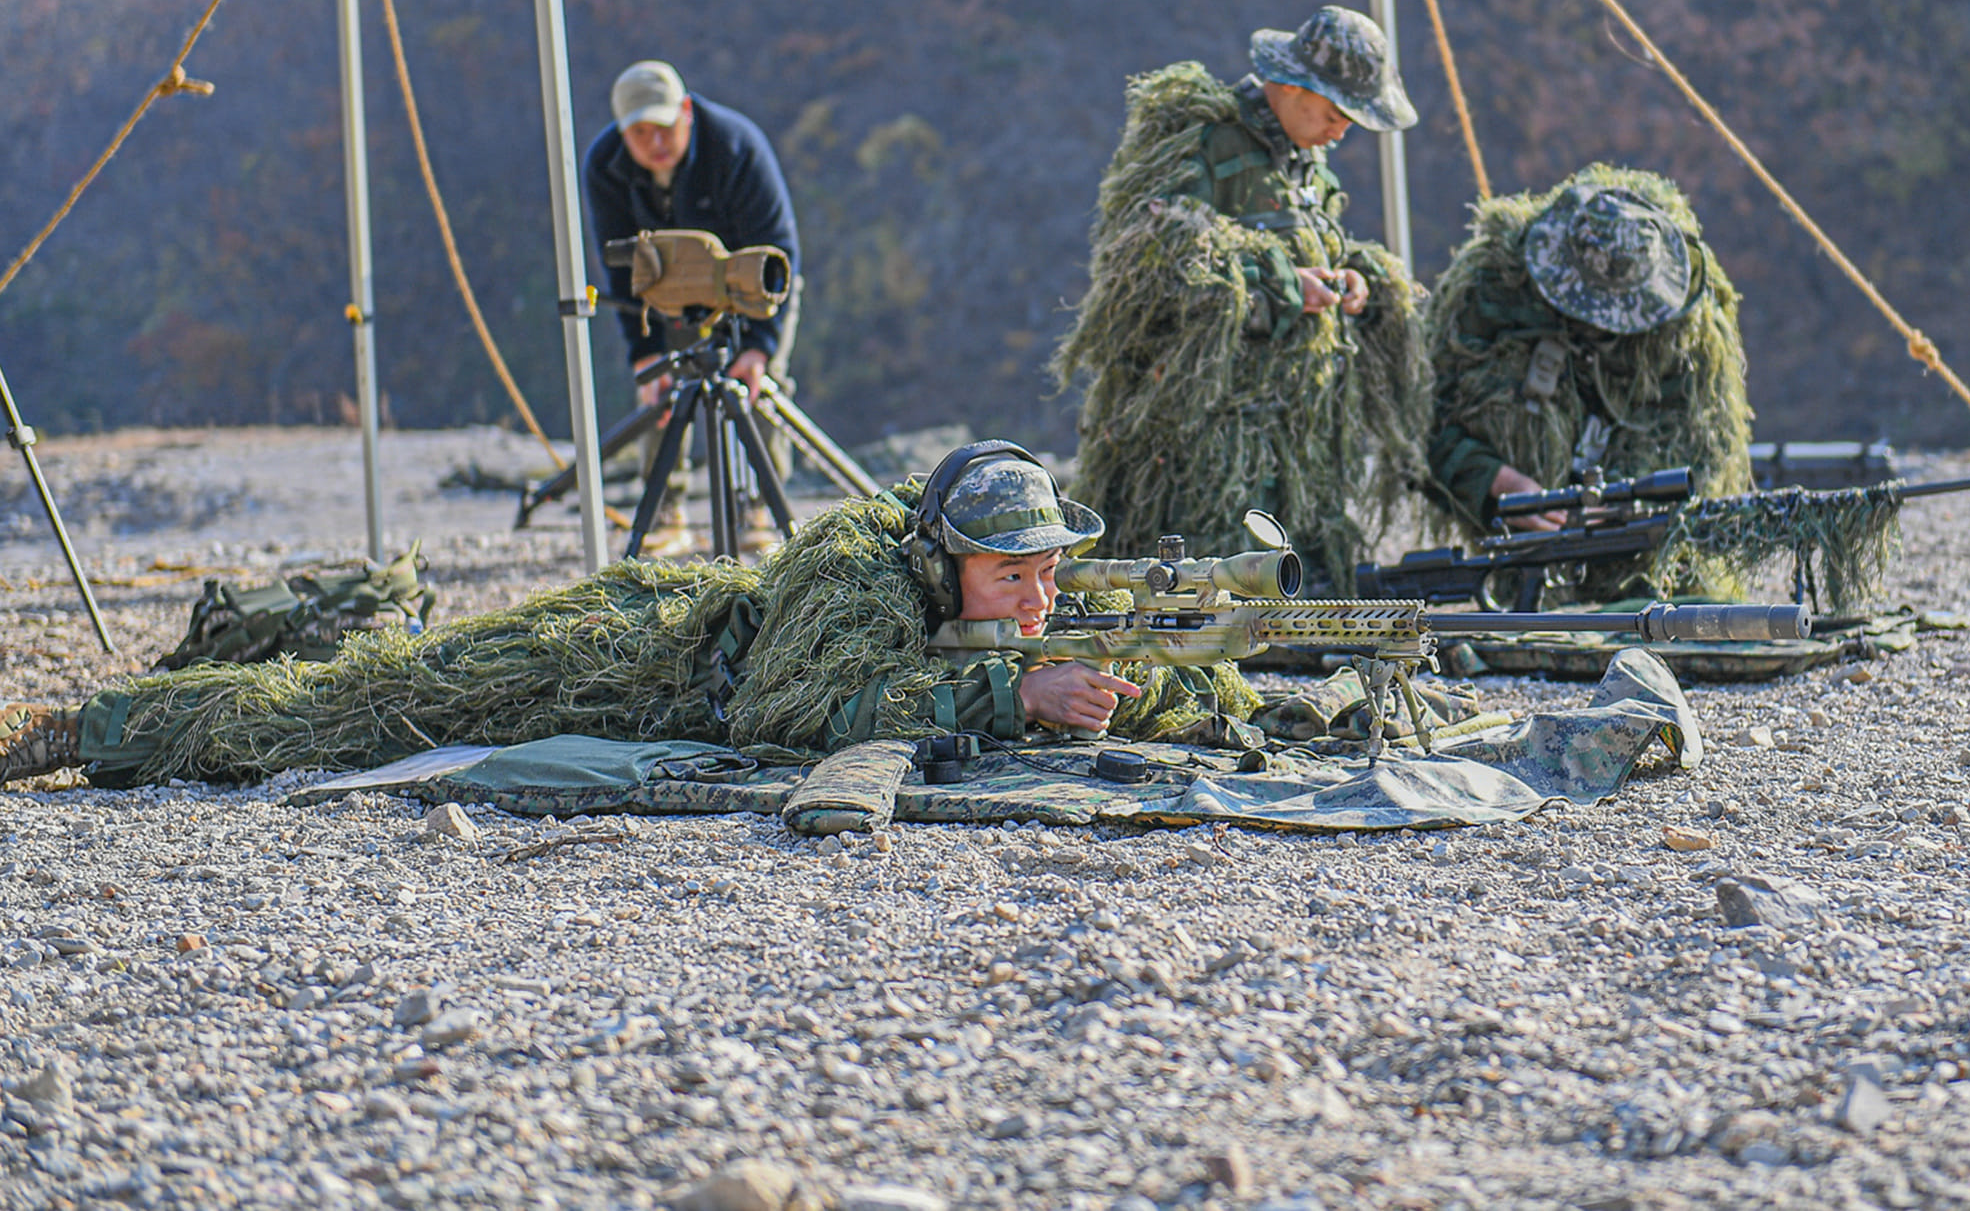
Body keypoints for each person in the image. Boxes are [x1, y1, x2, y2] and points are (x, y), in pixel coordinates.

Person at [0, 444, 1340, 789]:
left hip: (673, 641)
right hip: (616, 667)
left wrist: (1152, 682)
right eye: (1012, 581)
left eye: (1047, 575)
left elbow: (1100, 657)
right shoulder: (855, 580)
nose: (1037, 602)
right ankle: (87, 729)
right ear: (941, 561)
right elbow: (785, 714)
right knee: (352, 714)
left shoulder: (1002, 585)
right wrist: (1009, 697)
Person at [1053, 5, 1431, 594]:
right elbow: (1154, 268)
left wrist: (1352, 278)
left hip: (1294, 431)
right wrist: (1285, 288)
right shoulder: (1203, 143)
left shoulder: (1308, 166)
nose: (1341, 132)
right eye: (1335, 113)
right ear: (1289, 86)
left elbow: (1305, 246)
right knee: (1208, 595)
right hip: (1210, 441)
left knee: (1292, 593)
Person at [1425, 164, 1753, 596]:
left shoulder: (1685, 332)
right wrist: (1496, 480)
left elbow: (1700, 451)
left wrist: (1624, 501)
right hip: (1516, 532)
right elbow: (1424, 428)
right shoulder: (1488, 297)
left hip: (1640, 544)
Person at [583, 60, 801, 490]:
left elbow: (779, 254)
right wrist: (643, 352)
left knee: (760, 385)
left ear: (685, 110)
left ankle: (763, 504)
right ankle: (665, 506)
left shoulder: (736, 147)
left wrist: (760, 345)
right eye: (640, 133)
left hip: (753, 284)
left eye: (664, 126)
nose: (655, 142)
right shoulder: (605, 166)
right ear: (622, 132)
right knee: (659, 389)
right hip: (666, 293)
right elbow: (623, 272)